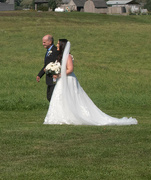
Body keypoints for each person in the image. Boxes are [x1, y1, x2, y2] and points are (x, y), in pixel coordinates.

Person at [44, 39, 138, 126]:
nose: (56, 45)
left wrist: (60, 75)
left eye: (57, 43)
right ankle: (60, 116)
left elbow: (70, 69)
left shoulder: (67, 56)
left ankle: (72, 115)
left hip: (68, 79)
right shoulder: (59, 57)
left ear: (62, 45)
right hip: (62, 80)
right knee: (60, 96)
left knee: (71, 96)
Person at [36, 34, 58, 101]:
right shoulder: (48, 51)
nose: (43, 44)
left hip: (54, 78)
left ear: (50, 42)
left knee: (52, 97)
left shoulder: (55, 51)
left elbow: (56, 64)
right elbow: (46, 65)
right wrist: (40, 75)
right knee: (49, 96)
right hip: (49, 78)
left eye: (44, 42)